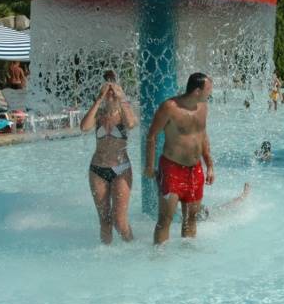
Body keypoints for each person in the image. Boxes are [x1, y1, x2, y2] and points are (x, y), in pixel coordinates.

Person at [144, 72, 215, 245]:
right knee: (165, 219)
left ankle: (187, 259)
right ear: (197, 91)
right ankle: (159, 259)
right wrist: (149, 165)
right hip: (172, 169)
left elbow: (202, 136)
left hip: (195, 169)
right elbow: (151, 135)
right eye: (208, 90)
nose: (210, 93)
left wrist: (210, 165)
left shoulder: (203, 107)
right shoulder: (170, 107)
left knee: (191, 217)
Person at [80, 70, 138, 244]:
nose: (110, 92)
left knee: (120, 222)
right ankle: (106, 258)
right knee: (105, 221)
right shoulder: (98, 114)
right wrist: (99, 99)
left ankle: (133, 248)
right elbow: (84, 127)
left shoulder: (124, 112)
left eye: (113, 88)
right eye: (107, 88)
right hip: (97, 170)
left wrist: (122, 97)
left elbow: (131, 123)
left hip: (121, 169)